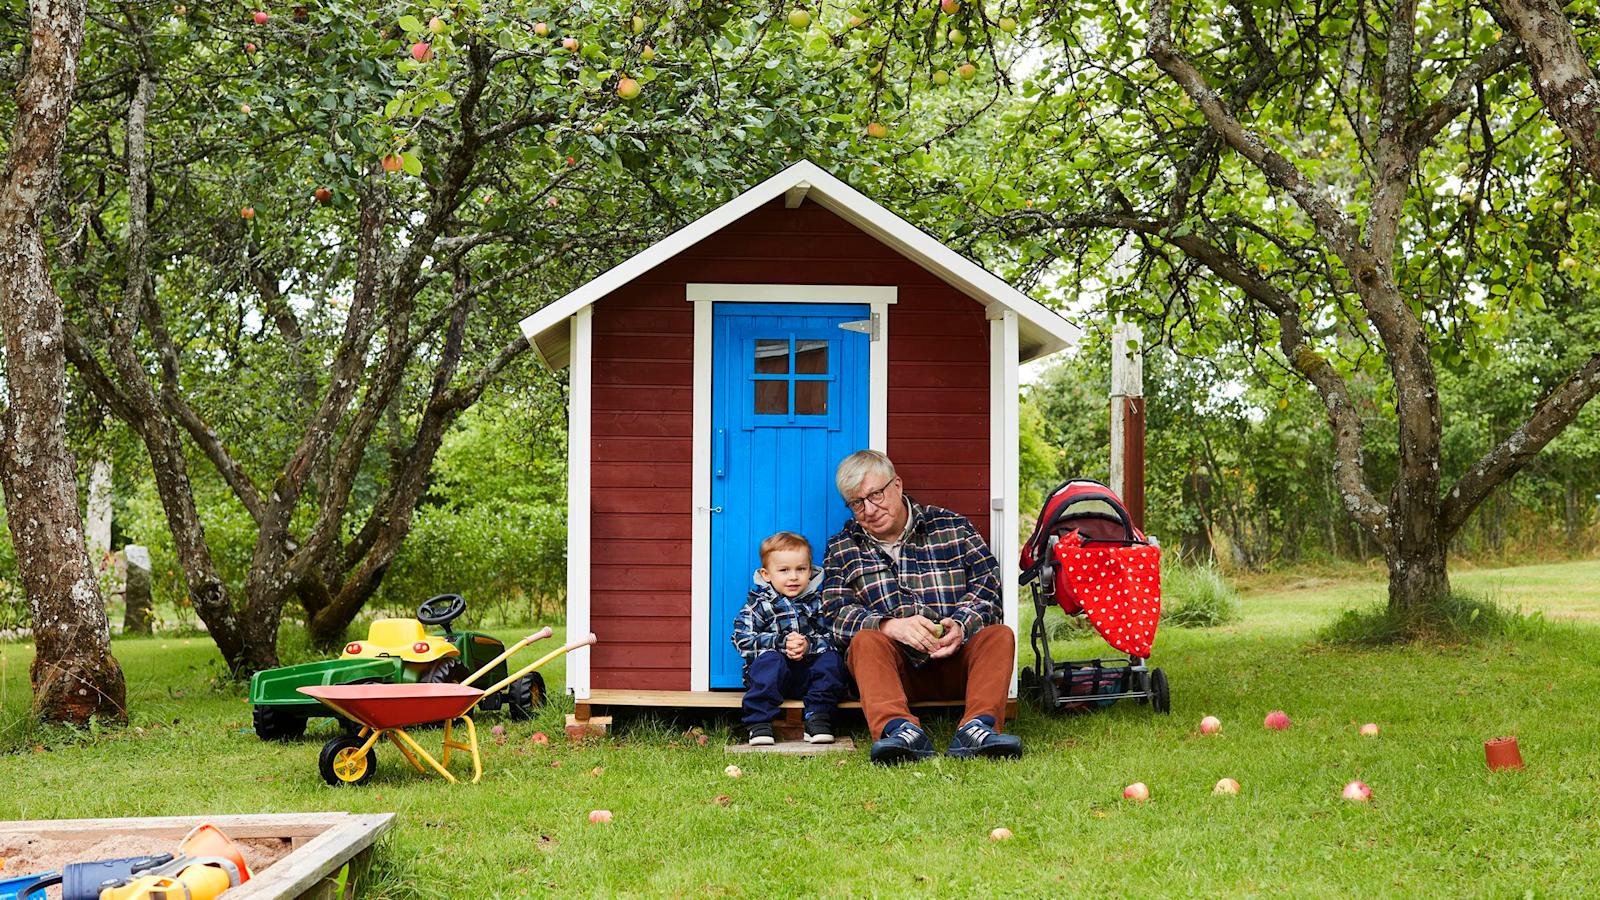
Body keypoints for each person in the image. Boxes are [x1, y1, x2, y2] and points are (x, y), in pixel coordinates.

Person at [821, 450, 1022, 764]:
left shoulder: (953, 527)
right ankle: (898, 732)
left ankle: (977, 729)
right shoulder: (843, 546)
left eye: (875, 495)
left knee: (999, 635)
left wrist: (961, 625)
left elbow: (988, 589)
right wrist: (890, 626)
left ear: (897, 485)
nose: (869, 510)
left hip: (957, 662)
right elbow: (835, 614)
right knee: (865, 641)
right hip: (893, 675)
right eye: (857, 503)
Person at [731, 531, 846, 745]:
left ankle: (818, 717)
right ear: (766, 574)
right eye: (784, 570)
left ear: (810, 571)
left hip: (809, 677)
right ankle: (759, 723)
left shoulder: (819, 602)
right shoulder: (759, 605)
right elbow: (742, 640)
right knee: (770, 660)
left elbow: (835, 636)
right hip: (772, 678)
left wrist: (809, 645)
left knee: (831, 659)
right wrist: (781, 643)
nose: (793, 577)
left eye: (801, 569)